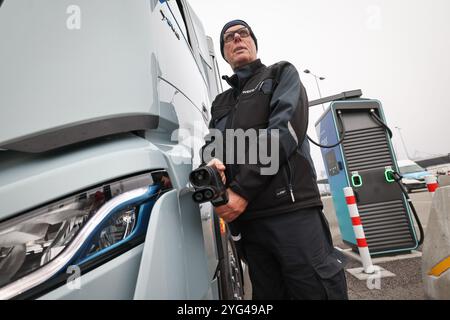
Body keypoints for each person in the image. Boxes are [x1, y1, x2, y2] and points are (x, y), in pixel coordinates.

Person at [201, 19, 348, 300]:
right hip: (250, 225)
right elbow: (212, 148)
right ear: (224, 53)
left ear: (254, 43)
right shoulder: (221, 102)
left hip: (292, 214)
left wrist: (242, 190)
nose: (236, 39)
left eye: (243, 34)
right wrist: (210, 166)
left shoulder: (281, 74)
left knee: (315, 291)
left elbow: (283, 132)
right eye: (228, 38)